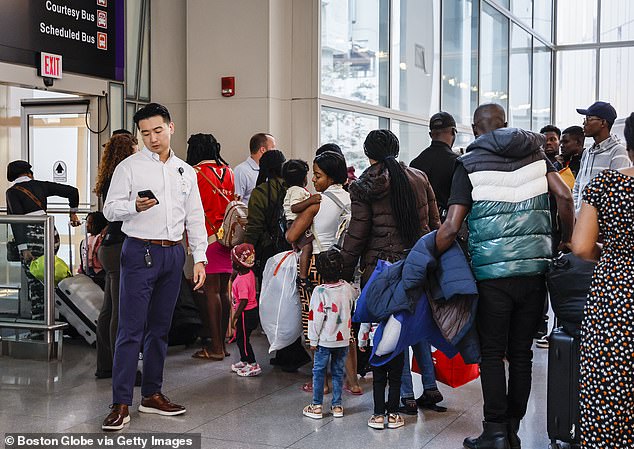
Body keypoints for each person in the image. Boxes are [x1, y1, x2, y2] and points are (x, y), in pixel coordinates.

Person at [435, 103, 574, 449]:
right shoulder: (538, 157)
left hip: (491, 274)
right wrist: (564, 241)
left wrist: (429, 254)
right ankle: (513, 427)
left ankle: (495, 431)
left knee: (493, 353)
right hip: (534, 272)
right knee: (522, 353)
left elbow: (451, 226)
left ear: (473, 128)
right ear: (506, 124)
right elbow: (565, 196)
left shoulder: (467, 164)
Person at [101, 103, 207, 431]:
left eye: (157, 131)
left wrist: (199, 257)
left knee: (160, 329)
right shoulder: (130, 168)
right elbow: (109, 209)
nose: (152, 138)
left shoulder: (186, 171)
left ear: (171, 128)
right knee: (129, 329)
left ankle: (152, 394)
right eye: (145, 133)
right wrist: (133, 206)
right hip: (138, 251)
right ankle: (120, 403)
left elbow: (195, 216)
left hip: (173, 254)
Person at [571, 111, 634, 449]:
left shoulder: (609, 183)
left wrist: (613, 256)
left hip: (615, 293)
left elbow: (580, 246)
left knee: (610, 380)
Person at [286, 151, 361, 394]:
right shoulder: (351, 199)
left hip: (317, 266)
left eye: (318, 176)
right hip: (342, 267)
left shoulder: (318, 202)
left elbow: (291, 235)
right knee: (345, 325)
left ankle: (324, 383)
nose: (314, 181)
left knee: (315, 326)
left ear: (329, 176)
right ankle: (354, 383)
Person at [5, 160, 81, 322]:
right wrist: (73, 213)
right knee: (47, 276)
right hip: (50, 233)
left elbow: (16, 221)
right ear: (29, 173)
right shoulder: (41, 185)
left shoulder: (12, 192)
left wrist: (24, 248)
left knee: (36, 282)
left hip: (30, 237)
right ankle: (53, 318)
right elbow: (73, 191)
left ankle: (40, 327)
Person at [186, 133, 234, 361]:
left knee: (211, 292)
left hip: (206, 237)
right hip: (227, 238)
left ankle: (215, 347)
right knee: (224, 291)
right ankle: (222, 343)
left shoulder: (194, 173)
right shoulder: (229, 171)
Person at [94, 132, 138, 379]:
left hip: (108, 246)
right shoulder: (122, 177)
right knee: (121, 312)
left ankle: (105, 365)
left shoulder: (107, 177)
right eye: (135, 147)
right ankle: (124, 369)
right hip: (121, 245)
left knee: (108, 310)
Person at [302, 249, 356, 420]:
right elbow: (353, 302)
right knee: (339, 371)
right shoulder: (348, 288)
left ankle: (317, 406)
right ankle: (337, 405)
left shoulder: (319, 292)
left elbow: (315, 318)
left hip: (324, 341)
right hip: (343, 339)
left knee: (319, 371)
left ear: (319, 270)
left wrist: (313, 339)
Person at [572, 101, 630, 214]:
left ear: (603, 122)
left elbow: (617, 192)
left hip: (601, 223)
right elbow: (578, 186)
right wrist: (576, 212)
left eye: (588, 119)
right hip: (581, 221)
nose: (584, 123)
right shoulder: (587, 153)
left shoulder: (618, 151)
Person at [359, 318, 406, 430]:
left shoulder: (372, 300)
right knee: (395, 381)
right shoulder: (400, 300)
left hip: (376, 343)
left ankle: (378, 415)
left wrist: (362, 341)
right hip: (397, 344)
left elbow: (365, 323)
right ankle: (393, 415)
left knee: (378, 382)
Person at [410, 111, 459, 216]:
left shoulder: (415, 163)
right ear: (453, 132)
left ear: (430, 134)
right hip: (447, 223)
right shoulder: (457, 162)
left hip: (421, 223)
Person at [229, 243, 261, 377]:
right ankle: (244, 360)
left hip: (244, 314)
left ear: (237, 265)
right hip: (252, 311)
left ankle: (252, 363)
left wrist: (235, 317)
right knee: (243, 338)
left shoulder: (241, 281)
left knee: (242, 340)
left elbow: (244, 300)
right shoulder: (248, 273)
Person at [281, 159, 314, 285]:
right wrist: (312, 201)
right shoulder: (297, 190)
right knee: (307, 247)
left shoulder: (292, 190)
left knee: (301, 248)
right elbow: (295, 207)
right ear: (303, 178)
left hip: (292, 224)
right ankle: (303, 276)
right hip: (296, 223)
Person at [233, 133, 276, 204]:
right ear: (263, 149)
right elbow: (237, 203)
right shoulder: (241, 171)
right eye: (273, 147)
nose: (275, 151)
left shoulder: (272, 170)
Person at [78, 211, 108, 289]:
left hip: (100, 274)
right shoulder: (85, 241)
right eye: (87, 222)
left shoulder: (101, 240)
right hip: (88, 273)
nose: (87, 225)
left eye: (90, 223)